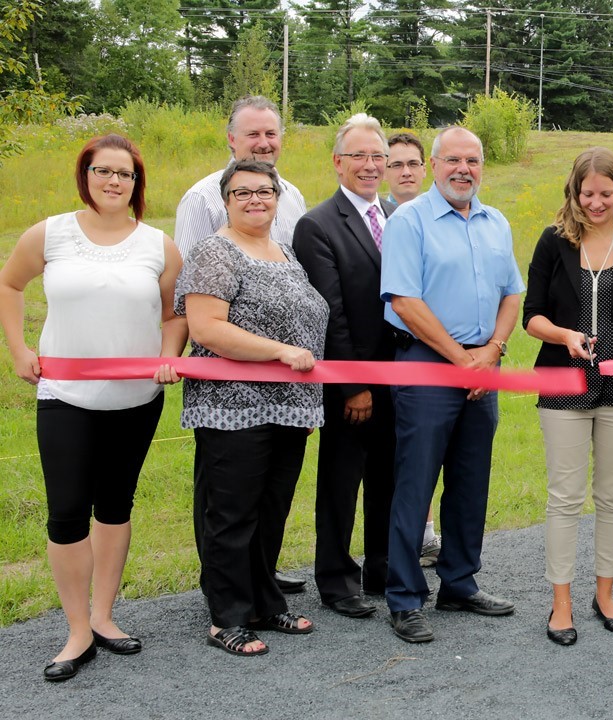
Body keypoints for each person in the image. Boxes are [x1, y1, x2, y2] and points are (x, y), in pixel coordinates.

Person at [0, 134, 185, 681]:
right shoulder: (51, 233)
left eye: (124, 174)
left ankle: (105, 617)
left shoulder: (159, 245)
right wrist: (18, 349)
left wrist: (167, 357)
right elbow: (10, 284)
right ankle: (76, 629)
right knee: (66, 512)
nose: (113, 181)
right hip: (65, 396)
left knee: (115, 506)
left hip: (136, 398)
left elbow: (175, 316)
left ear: (137, 183)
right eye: (102, 171)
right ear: (85, 176)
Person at [177, 159, 329, 656]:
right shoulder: (213, 253)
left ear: (277, 198)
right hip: (232, 408)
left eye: (264, 191)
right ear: (225, 200)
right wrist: (280, 351)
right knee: (232, 513)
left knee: (270, 511)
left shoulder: (285, 252)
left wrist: (305, 394)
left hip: (289, 408)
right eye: (242, 192)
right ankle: (227, 617)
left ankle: (265, 602)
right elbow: (207, 328)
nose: (255, 199)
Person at [380, 126, 524, 644]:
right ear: (434, 165)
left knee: (470, 482)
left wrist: (491, 353)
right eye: (453, 160)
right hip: (427, 364)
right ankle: (405, 598)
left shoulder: (496, 222)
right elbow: (404, 302)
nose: (464, 169)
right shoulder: (410, 221)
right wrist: (462, 359)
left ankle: (459, 583)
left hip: (483, 364)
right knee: (415, 485)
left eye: (474, 160)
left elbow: (512, 294)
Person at [523, 147, 613, 646]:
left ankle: (605, 594)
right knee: (564, 498)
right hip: (562, 383)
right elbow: (531, 315)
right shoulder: (551, 242)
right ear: (574, 192)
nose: (597, 202)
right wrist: (564, 336)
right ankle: (561, 602)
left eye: (607, 193)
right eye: (588, 193)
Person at [174, 94, 309, 595]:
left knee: (266, 494)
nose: (263, 142)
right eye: (252, 134)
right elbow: (190, 296)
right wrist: (183, 360)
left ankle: (259, 579)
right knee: (225, 493)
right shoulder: (202, 199)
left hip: (286, 386)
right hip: (226, 382)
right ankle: (223, 590)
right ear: (231, 139)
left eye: (271, 133)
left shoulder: (291, 194)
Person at [294, 114, 396, 620]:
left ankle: (381, 567)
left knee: (389, 478)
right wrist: (353, 384)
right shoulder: (317, 225)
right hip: (349, 381)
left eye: (377, 156)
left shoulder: (402, 213)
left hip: (404, 375)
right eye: (358, 155)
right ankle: (335, 578)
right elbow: (328, 313)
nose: (370, 165)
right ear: (337, 162)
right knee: (341, 479)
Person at [381, 130, 442, 567]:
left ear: (426, 169)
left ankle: (426, 533)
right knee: (391, 464)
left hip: (431, 357)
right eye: (395, 164)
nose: (405, 171)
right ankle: (385, 560)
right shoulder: (378, 217)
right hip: (377, 358)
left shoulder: (441, 217)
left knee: (427, 455)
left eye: (412, 164)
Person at [386, 132, 428, 209]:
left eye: (413, 164)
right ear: (384, 173)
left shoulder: (442, 219)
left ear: (424, 170)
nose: (406, 173)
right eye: (397, 165)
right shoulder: (375, 219)